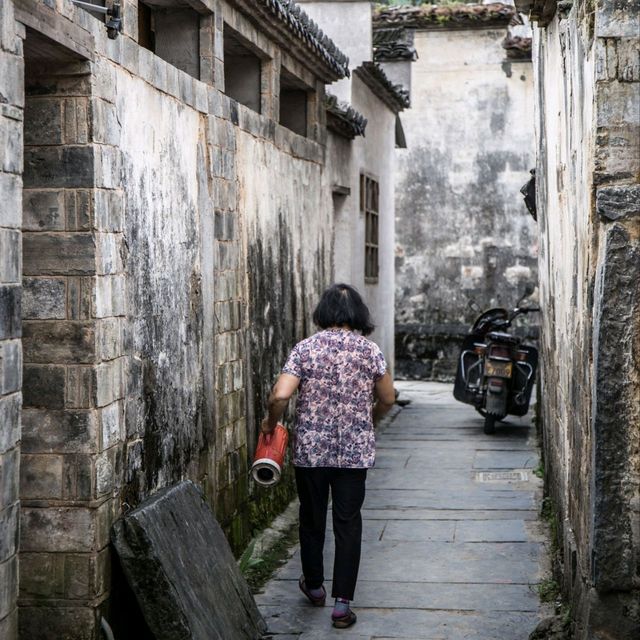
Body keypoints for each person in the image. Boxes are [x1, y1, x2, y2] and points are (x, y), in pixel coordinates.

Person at [261, 283, 395, 629]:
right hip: (354, 453)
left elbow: (280, 395)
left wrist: (269, 423)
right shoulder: (370, 352)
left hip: (311, 452)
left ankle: (315, 586)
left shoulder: (305, 349)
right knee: (348, 524)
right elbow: (388, 398)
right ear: (358, 316)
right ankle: (342, 604)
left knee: (312, 518)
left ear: (323, 313)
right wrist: (370, 422)